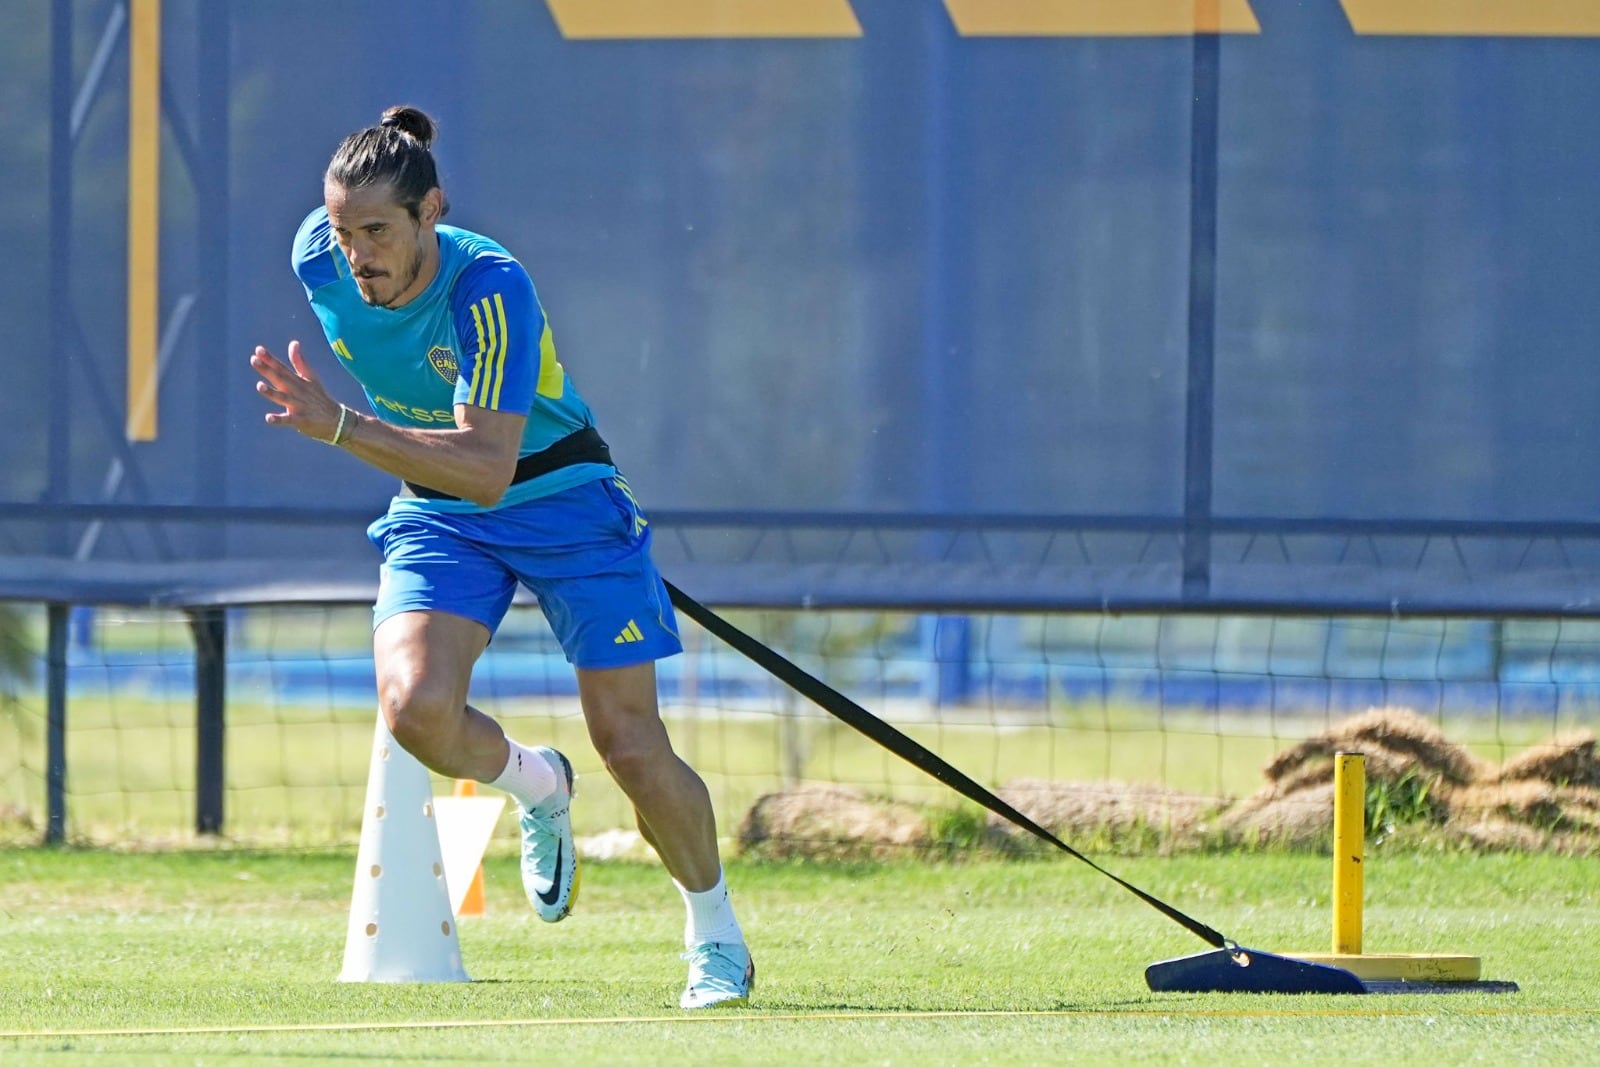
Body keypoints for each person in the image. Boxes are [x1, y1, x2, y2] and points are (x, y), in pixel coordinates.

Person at [250, 104, 752, 1009]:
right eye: (342, 228)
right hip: (439, 510)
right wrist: (358, 430)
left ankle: (715, 936)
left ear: (430, 213)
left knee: (632, 746)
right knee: (413, 710)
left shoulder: (492, 285)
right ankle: (538, 783)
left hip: (559, 496)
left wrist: (339, 427)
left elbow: (488, 465)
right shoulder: (315, 258)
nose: (356, 253)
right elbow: (459, 486)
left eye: (377, 231)